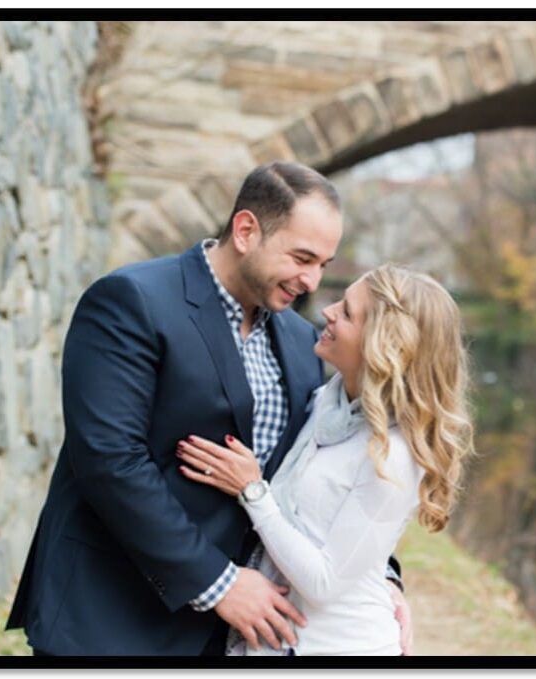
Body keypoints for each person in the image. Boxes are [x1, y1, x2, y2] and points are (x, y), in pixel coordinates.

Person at [6, 162, 410, 655]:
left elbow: (326, 470)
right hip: (107, 617)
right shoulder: (131, 301)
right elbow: (110, 461)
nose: (312, 280)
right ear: (246, 231)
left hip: (221, 641)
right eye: (303, 257)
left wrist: (379, 574)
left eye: (324, 264)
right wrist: (218, 582)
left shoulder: (304, 342)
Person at [176, 264, 474, 655]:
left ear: (384, 345)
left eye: (347, 313)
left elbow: (324, 582)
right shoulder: (326, 401)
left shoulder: (394, 457)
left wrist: (252, 491)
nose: (328, 311)